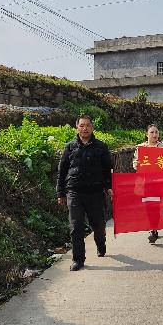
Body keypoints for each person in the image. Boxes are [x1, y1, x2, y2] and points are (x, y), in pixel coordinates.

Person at [56, 115, 114, 271]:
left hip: (95, 192)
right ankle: (78, 259)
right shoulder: (69, 147)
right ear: (77, 127)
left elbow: (107, 170)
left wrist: (109, 186)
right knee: (76, 227)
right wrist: (60, 192)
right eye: (82, 125)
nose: (85, 128)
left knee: (99, 226)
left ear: (92, 128)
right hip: (74, 192)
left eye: (88, 125)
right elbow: (62, 172)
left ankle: (100, 243)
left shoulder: (101, 147)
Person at [133, 124, 163, 244]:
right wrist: (136, 164)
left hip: (159, 182)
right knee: (149, 206)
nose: (154, 135)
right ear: (146, 134)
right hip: (146, 182)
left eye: (156, 132)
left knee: (156, 206)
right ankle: (153, 229)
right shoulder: (141, 148)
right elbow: (135, 164)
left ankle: (154, 228)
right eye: (152, 132)